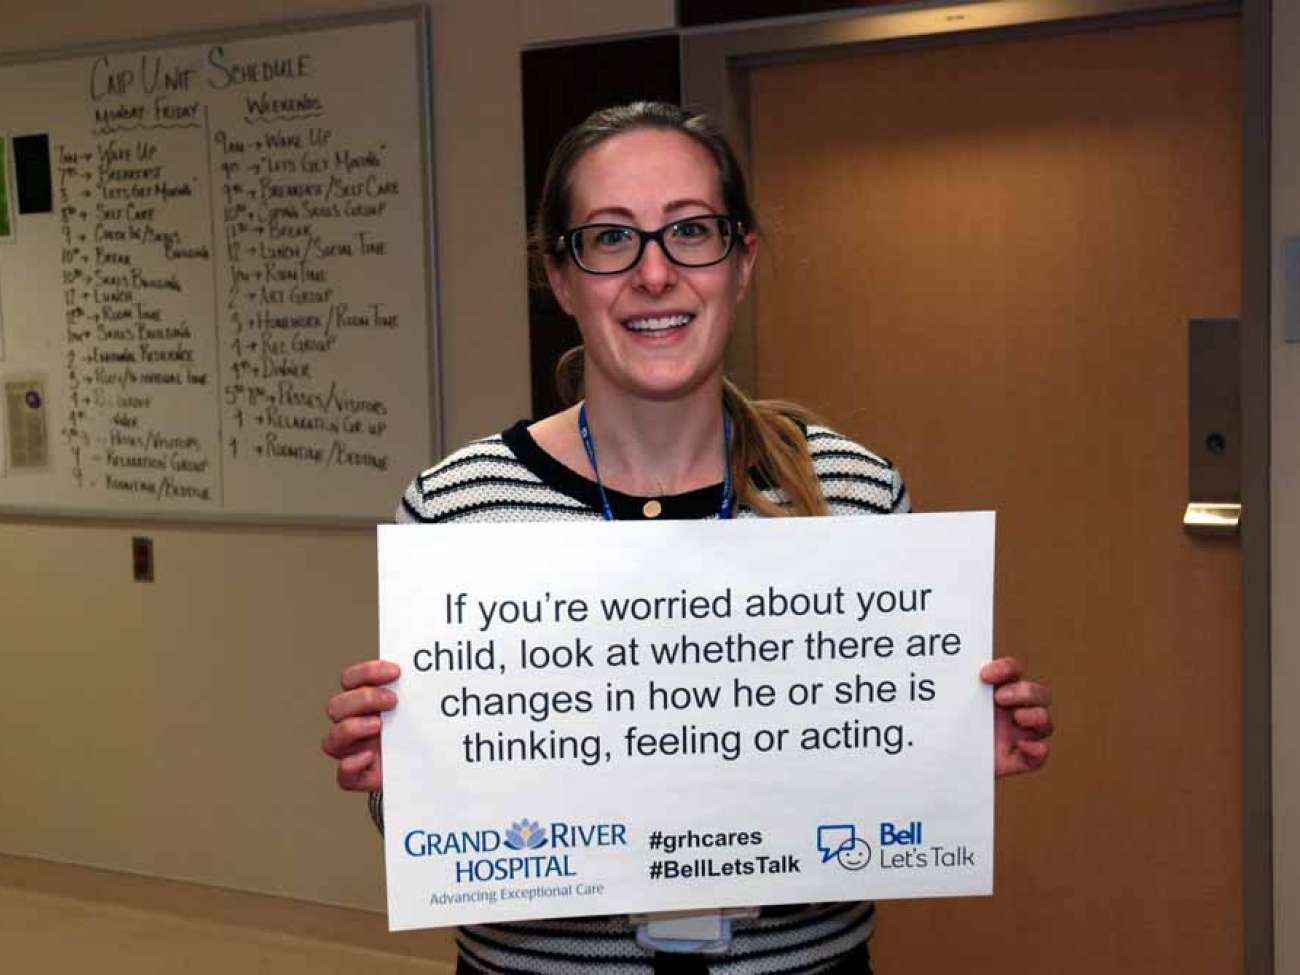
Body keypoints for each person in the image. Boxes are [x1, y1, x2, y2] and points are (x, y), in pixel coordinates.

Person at [322, 101, 1053, 975]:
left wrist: (951, 746)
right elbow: (431, 827)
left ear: (741, 262)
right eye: (609, 238)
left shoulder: (853, 496)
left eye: (691, 231)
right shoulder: (461, 509)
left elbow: (865, 779)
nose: (655, 274)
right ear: (561, 277)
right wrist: (399, 772)